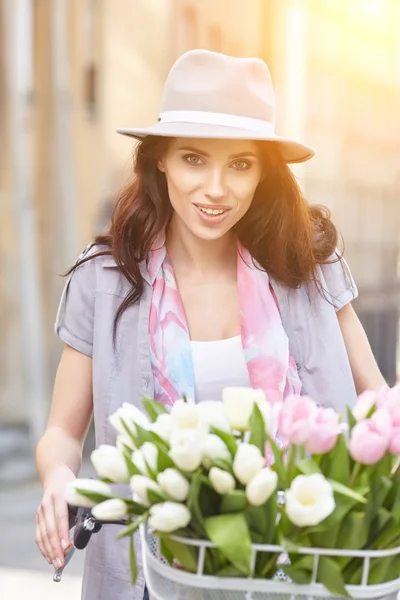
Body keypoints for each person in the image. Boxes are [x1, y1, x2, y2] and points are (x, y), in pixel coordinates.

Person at [35, 49, 386, 600]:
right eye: (194, 159)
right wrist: (58, 480)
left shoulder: (309, 263)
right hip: (151, 577)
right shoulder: (104, 279)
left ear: (262, 171)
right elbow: (62, 431)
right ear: (160, 161)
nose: (217, 189)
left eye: (240, 164)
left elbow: (378, 408)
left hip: (302, 572)